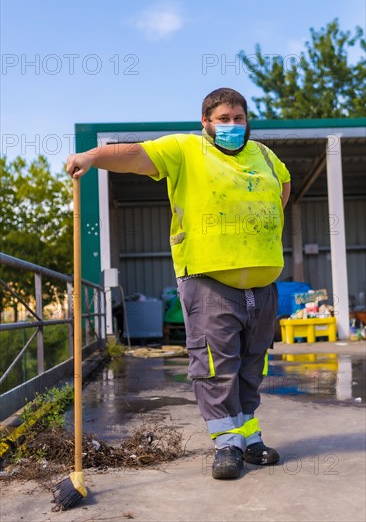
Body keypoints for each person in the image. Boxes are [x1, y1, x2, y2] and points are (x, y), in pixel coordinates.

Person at [67, 87, 291, 480]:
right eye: (223, 119)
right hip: (209, 281)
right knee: (215, 365)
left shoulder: (267, 158)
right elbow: (135, 155)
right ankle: (226, 444)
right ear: (205, 122)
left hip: (263, 284)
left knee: (252, 365)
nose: (233, 126)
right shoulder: (185, 150)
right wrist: (91, 156)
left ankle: (248, 435)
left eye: (239, 118)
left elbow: (282, 191)